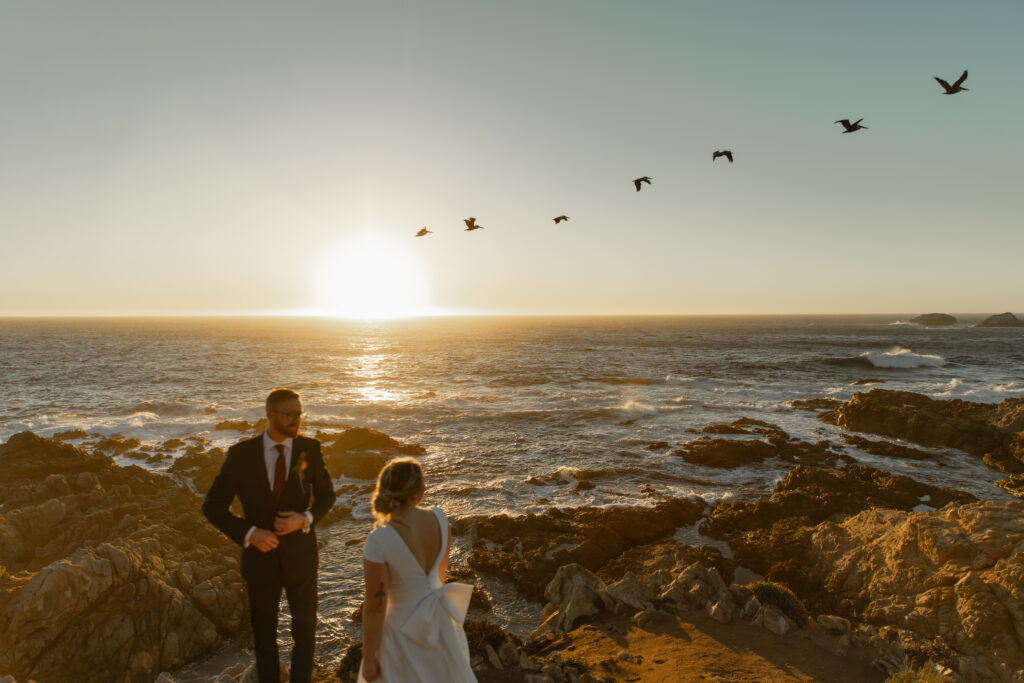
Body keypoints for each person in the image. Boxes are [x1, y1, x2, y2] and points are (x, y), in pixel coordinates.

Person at [203, 388, 336, 683]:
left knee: (305, 635)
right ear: (270, 416)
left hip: (301, 559)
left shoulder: (309, 449)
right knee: (264, 638)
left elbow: (327, 496)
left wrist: (305, 518)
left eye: (299, 414)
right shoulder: (241, 455)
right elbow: (212, 506)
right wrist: (251, 532)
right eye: (289, 414)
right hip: (259, 561)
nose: (296, 420)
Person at [358, 457, 476, 683]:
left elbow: (375, 606)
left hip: (399, 633)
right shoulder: (440, 519)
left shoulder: (379, 539)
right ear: (419, 490)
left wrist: (370, 657)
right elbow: (439, 576)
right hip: (439, 626)